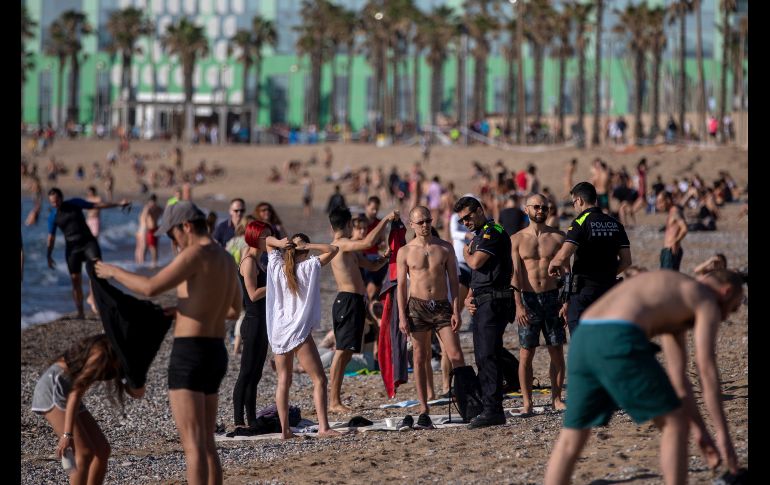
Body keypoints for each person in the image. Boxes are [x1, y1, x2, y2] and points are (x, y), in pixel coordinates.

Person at [543, 269, 745, 484]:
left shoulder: (674, 296)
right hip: (617, 334)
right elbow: (706, 369)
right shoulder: (705, 298)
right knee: (674, 424)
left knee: (572, 437)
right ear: (726, 291)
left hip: (584, 335)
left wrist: (701, 431)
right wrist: (724, 438)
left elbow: (679, 380)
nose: (725, 317)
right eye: (732, 309)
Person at [94, 201, 242, 485]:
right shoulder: (224, 257)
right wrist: (189, 309)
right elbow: (235, 310)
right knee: (208, 443)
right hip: (215, 352)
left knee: (193, 447)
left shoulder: (195, 254)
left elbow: (150, 288)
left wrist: (113, 271)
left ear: (186, 227)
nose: (172, 241)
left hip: (190, 353)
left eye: (172, 235)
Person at [31, 334, 145, 485]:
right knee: (83, 454)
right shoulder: (101, 352)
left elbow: (137, 394)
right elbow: (76, 393)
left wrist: (134, 374)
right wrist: (67, 435)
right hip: (54, 386)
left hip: (71, 390)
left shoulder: (123, 358)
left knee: (102, 450)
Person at [265, 232, 341, 439]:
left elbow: (267, 241)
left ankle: (285, 430)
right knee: (319, 380)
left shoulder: (276, 265)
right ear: (304, 251)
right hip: (297, 331)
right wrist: (309, 244)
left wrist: (281, 243)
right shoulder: (308, 266)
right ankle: (324, 428)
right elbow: (333, 249)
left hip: (279, 330)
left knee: (283, 380)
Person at [396, 206, 466, 429]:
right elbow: (400, 286)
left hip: (442, 305)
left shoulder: (445, 247)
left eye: (428, 220)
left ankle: (464, 399)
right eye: (420, 222)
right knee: (420, 356)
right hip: (417, 306)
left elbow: (454, 281)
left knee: (455, 354)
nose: (425, 225)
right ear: (412, 225)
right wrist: (402, 316)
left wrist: (456, 309)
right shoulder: (405, 251)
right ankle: (423, 404)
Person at [327, 207, 398, 413]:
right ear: (348, 225)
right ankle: (333, 401)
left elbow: (372, 266)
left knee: (347, 353)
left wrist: (385, 258)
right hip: (347, 301)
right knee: (341, 352)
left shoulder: (350, 249)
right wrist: (385, 219)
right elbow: (367, 242)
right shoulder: (340, 245)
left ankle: (335, 399)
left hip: (356, 301)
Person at [454, 196, 513, 429]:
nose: (466, 222)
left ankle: (493, 409)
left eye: (469, 216)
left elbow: (477, 263)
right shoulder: (480, 235)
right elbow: (479, 276)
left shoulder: (492, 231)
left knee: (488, 354)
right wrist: (469, 296)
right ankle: (490, 405)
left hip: (494, 302)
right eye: (462, 220)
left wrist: (467, 253)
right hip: (483, 301)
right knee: (484, 354)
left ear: (479, 210)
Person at [548, 182, 632, 335]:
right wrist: (608, 274)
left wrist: (553, 263)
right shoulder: (615, 223)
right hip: (609, 288)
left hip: (585, 291)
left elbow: (565, 254)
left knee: (581, 340)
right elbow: (627, 261)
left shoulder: (581, 221)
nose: (574, 206)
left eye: (574, 202)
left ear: (579, 200)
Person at [511, 194, 568, 414]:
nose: (541, 211)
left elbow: (567, 272)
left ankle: (556, 398)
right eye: (536, 207)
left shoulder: (558, 237)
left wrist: (566, 301)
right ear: (526, 209)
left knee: (556, 350)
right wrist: (518, 305)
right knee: (526, 352)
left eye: (545, 207)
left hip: (552, 297)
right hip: (528, 298)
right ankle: (527, 402)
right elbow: (515, 274)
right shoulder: (516, 239)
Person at [46, 188, 130, 318]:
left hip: (88, 243)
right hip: (72, 249)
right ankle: (80, 312)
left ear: (61, 198)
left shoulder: (74, 203)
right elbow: (51, 237)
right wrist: (49, 255)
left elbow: (97, 206)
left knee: (97, 271)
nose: (55, 204)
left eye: (56, 200)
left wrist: (118, 203)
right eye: (52, 202)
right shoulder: (53, 216)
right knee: (75, 280)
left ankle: (93, 299)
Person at [229, 221, 271, 436]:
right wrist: (275, 283)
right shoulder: (249, 261)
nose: (269, 240)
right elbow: (253, 294)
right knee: (246, 373)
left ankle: (252, 418)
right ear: (256, 237)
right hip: (253, 321)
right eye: (266, 236)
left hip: (262, 322)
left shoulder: (258, 259)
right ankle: (238, 420)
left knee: (255, 374)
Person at [657, 191, 688, 271]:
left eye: (661, 202)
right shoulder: (672, 212)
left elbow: (684, 228)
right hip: (667, 251)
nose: (659, 205)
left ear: (668, 200)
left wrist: (676, 241)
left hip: (671, 251)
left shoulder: (675, 212)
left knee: (668, 279)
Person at [138, 194, 163, 268]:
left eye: (154, 201)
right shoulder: (147, 208)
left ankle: (154, 262)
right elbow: (142, 218)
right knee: (147, 247)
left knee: (154, 246)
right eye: (151, 202)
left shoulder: (158, 208)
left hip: (155, 229)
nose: (153, 203)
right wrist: (143, 229)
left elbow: (165, 214)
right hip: (148, 230)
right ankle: (142, 262)